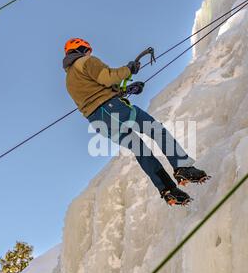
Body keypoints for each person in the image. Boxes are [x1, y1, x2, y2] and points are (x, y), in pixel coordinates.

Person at [63, 38, 210, 206]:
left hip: (99, 122)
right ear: (83, 49)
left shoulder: (69, 80)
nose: (90, 54)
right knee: (155, 130)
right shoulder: (86, 61)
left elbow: (96, 93)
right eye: (88, 51)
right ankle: (182, 167)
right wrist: (128, 69)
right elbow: (107, 78)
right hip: (112, 109)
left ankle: (168, 189)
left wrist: (126, 90)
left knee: (140, 149)